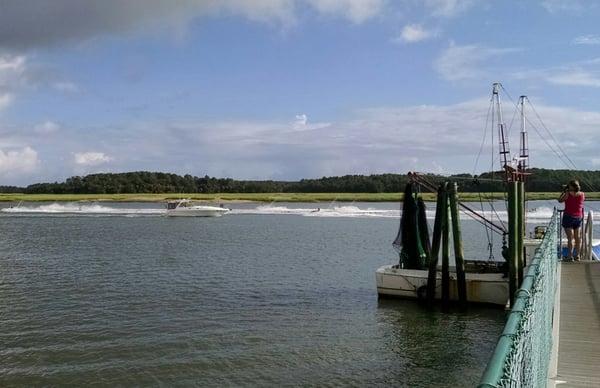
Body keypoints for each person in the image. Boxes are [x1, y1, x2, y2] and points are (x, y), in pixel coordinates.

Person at [558, 180, 585, 261]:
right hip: (578, 217)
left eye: (569, 186)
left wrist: (564, 191)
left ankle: (570, 256)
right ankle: (577, 256)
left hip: (568, 217)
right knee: (578, 238)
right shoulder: (582, 194)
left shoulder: (568, 194)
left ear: (572, 187)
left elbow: (560, 200)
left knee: (570, 238)